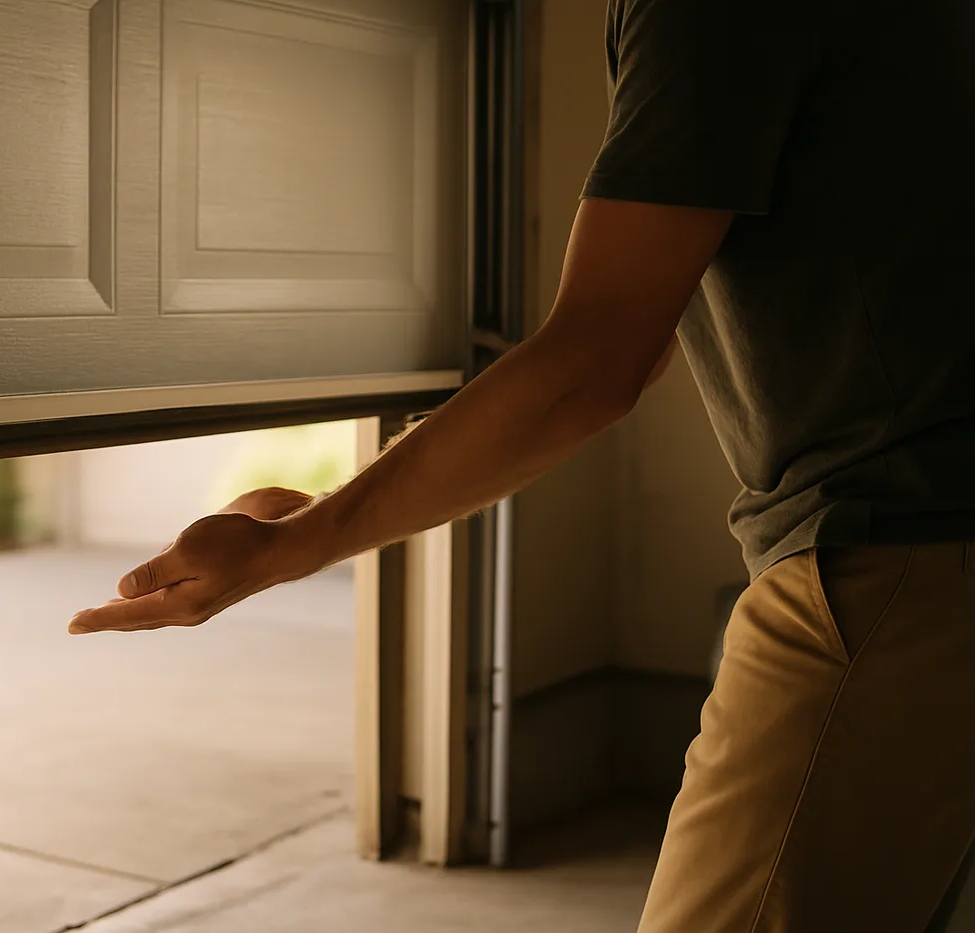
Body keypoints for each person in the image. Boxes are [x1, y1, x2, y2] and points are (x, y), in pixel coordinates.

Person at [71, 0, 975, 928]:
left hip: (894, 565)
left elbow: (598, 357)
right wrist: (346, 505)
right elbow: (638, 316)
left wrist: (290, 544)